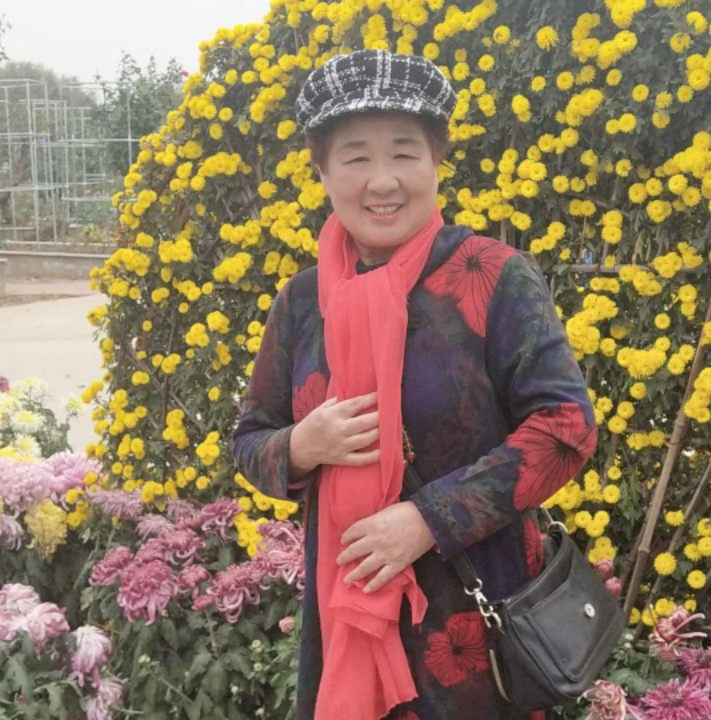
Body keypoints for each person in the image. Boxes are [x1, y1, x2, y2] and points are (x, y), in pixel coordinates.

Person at [232, 49, 597, 720]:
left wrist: (429, 519)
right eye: (355, 157)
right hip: (345, 614)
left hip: (474, 622)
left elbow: (566, 427)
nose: (383, 181)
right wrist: (301, 446)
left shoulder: (494, 277)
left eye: (404, 153)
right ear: (323, 172)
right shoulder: (302, 302)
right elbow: (251, 440)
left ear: (436, 161)